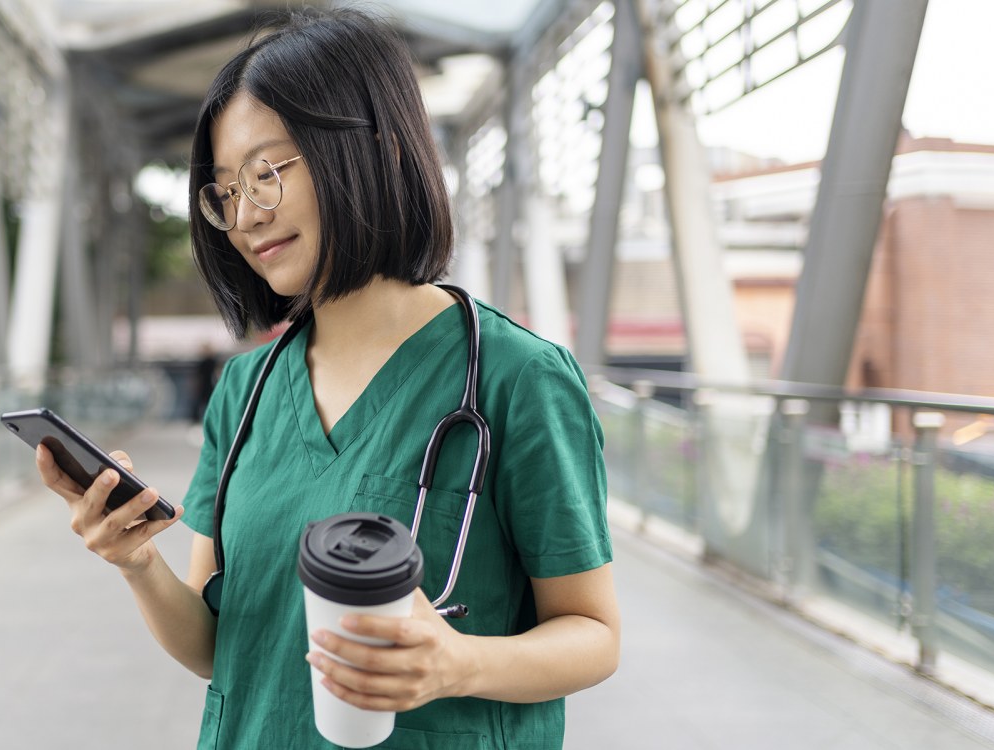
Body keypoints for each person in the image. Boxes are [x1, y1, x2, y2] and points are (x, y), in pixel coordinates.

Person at [35, 9, 618, 748]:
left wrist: (457, 664)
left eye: (267, 173)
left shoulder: (516, 379)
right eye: (225, 192)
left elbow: (594, 632)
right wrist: (137, 561)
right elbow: (222, 648)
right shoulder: (244, 396)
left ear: (368, 146)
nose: (246, 215)